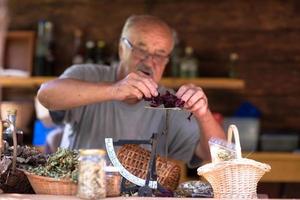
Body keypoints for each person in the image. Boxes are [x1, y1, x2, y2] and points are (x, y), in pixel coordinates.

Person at [37, 15, 225, 166]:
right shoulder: (86, 75)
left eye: (159, 55)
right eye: (140, 50)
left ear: (167, 62)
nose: (149, 61)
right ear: (121, 50)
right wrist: (114, 90)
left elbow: (221, 155)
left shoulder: (167, 102)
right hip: (80, 190)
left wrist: (203, 114)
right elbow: (45, 95)